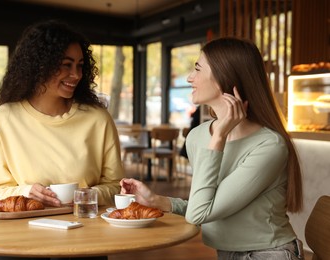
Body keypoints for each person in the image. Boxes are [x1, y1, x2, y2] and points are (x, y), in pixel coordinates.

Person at [120, 37, 304, 260]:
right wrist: (156, 201)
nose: (189, 77)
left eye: (197, 69)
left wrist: (219, 137)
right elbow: (205, 204)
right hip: (226, 253)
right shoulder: (197, 137)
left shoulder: (269, 146)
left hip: (269, 253)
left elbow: (200, 213)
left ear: (224, 77)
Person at [0, 20, 123, 260]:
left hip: (85, 237)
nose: (76, 75)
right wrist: (27, 192)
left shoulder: (98, 119)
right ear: (39, 65)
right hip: (18, 240)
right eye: (65, 65)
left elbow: (116, 186)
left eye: (79, 65)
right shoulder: (6, 117)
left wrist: (82, 197)